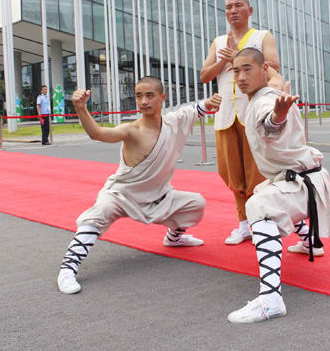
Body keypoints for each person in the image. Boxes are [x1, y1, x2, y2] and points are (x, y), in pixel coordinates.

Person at [57, 76, 222, 295]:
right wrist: (81, 109)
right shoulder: (131, 130)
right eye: (138, 95)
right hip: (121, 195)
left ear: (163, 98)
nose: (143, 101)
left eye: (149, 95)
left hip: (159, 197)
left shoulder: (173, 121)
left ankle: (174, 238)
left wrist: (211, 102)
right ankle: (68, 268)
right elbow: (97, 133)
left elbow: (196, 109)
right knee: (98, 213)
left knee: (196, 203)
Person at [227, 48, 330, 323]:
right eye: (236, 70)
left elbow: (271, 124)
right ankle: (309, 241)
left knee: (258, 206)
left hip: (303, 185)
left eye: (247, 69)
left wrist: (277, 117)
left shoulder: (268, 100)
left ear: (264, 69)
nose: (241, 76)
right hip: (299, 179)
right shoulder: (261, 96)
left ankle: (271, 298)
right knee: (263, 191)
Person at [200, 0, 282, 245]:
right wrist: (224, 59)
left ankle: (263, 222)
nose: (233, 10)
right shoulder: (218, 41)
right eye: (228, 7)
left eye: (238, 5)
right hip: (226, 113)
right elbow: (204, 75)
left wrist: (239, 56)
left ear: (250, 10)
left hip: (254, 111)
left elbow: (274, 66)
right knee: (231, 171)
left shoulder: (262, 37)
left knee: (257, 171)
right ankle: (244, 224)